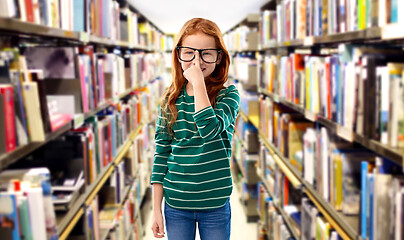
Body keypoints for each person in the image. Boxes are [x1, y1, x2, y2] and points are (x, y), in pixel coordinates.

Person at [150, 17, 240, 240]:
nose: (197, 61)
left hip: (215, 203)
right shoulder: (169, 101)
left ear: (219, 57)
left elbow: (209, 129)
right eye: (189, 52)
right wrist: (155, 210)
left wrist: (198, 83)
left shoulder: (229, 95)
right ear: (178, 54)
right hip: (177, 204)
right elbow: (161, 155)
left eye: (206, 53)